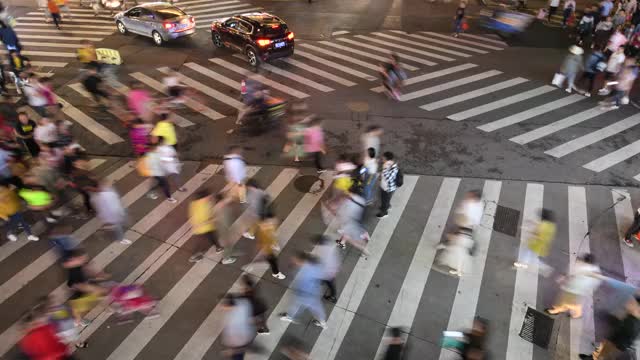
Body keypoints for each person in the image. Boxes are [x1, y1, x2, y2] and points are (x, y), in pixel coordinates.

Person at [580, 295, 640, 359]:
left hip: (616, 345)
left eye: (632, 303)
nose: (628, 303)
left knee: (602, 355)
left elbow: (622, 339)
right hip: (614, 342)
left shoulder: (632, 324)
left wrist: (610, 346)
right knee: (601, 351)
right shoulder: (631, 318)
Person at [279, 252, 328, 329]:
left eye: (296, 260)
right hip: (314, 292)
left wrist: (297, 291)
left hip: (305, 294)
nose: (295, 262)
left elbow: (303, 284)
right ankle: (323, 322)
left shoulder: (305, 270)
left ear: (302, 261)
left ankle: (290, 316)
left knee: (296, 304)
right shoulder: (314, 265)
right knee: (316, 307)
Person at [546, 253, 602, 319]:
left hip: (572, 288)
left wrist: (563, 280)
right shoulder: (596, 270)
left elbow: (571, 276)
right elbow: (596, 283)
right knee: (571, 301)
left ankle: (556, 310)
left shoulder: (580, 267)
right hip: (581, 291)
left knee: (563, 301)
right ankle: (577, 313)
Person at [513, 209, 557, 276]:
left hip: (534, 245)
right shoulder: (551, 226)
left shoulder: (543, 226)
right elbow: (540, 229)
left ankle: (521, 265)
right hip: (541, 246)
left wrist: (527, 234)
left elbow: (537, 235)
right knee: (531, 257)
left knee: (526, 256)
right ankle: (546, 268)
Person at [188, 189, 224, 262]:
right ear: (204, 197)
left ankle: (218, 247)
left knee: (212, 237)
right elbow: (201, 220)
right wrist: (213, 219)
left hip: (205, 227)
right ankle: (194, 257)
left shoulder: (194, 203)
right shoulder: (204, 205)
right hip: (203, 228)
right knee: (203, 244)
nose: (210, 197)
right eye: (208, 196)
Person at [251, 207, 286, 280]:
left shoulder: (264, 225)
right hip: (266, 248)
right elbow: (267, 238)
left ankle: (273, 269)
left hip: (267, 245)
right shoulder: (265, 229)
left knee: (271, 259)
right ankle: (276, 273)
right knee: (273, 260)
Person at [91, 179, 130, 244]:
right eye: (107, 185)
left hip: (108, 216)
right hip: (113, 215)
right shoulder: (109, 194)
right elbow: (115, 206)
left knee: (116, 225)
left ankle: (106, 228)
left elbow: (97, 208)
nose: (109, 186)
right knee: (118, 227)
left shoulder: (94, 197)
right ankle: (120, 239)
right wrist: (121, 213)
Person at [222, 294, 256, 360]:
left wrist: (231, 351)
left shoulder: (233, 319)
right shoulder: (243, 304)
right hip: (245, 337)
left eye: (224, 305)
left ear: (229, 306)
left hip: (240, 342)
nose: (223, 307)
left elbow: (238, 340)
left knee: (237, 357)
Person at [314, 235, 340, 303]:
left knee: (330, 284)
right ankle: (332, 295)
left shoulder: (320, 250)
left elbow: (318, 261)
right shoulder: (330, 248)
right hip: (330, 271)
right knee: (330, 283)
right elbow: (336, 259)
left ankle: (333, 296)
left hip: (327, 272)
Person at [377, 151, 398, 219]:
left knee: (385, 199)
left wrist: (385, 169)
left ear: (386, 158)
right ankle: (387, 206)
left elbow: (389, 178)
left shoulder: (393, 167)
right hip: (385, 186)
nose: (382, 158)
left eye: (383, 157)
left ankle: (384, 213)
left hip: (388, 188)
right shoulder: (387, 165)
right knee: (385, 199)